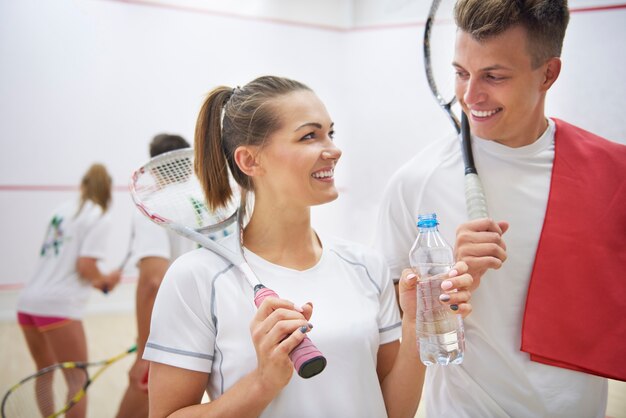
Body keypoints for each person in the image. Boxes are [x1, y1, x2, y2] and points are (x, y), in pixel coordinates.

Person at [142, 75, 473, 417]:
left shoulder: (366, 267)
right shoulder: (196, 278)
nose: (334, 150)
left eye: (330, 133)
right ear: (250, 161)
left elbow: (393, 411)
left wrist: (415, 325)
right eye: (309, 136)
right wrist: (263, 382)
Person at [375, 0, 626, 417]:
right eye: (460, 73)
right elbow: (391, 322)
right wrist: (445, 287)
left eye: (493, 76)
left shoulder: (613, 175)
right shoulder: (414, 182)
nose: (470, 96)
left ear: (548, 73)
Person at [16, 163, 122, 418]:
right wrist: (106, 279)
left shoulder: (61, 211)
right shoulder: (98, 215)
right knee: (78, 380)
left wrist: (99, 279)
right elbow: (85, 266)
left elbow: (70, 265)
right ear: (107, 189)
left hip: (27, 303)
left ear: (84, 185)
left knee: (45, 371)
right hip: (58, 307)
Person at [116, 134, 197, 418]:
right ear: (188, 164)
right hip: (215, 327)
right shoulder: (215, 203)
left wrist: (143, 354)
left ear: (153, 166)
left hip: (173, 334)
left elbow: (153, 282)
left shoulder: (151, 206)